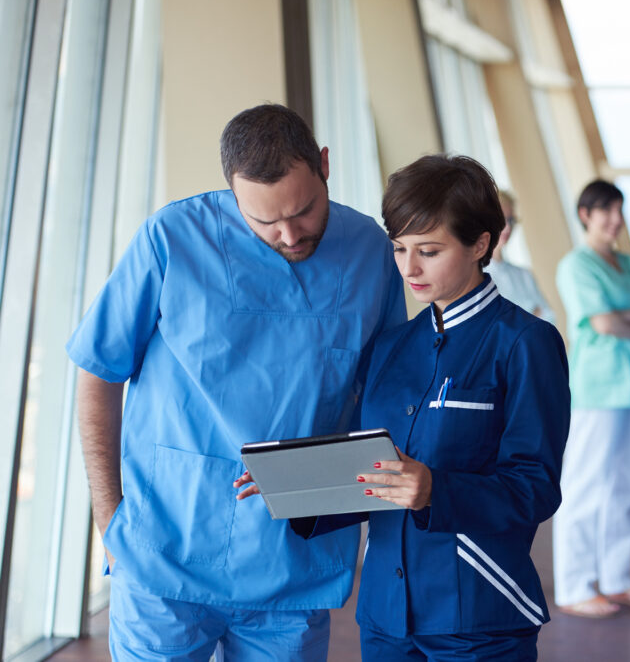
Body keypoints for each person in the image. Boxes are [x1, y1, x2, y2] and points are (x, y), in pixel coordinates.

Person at [66, 104, 406, 660]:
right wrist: (110, 522)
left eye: (304, 211)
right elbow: (97, 371)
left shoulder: (371, 251)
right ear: (231, 192)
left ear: (325, 165)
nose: (289, 234)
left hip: (293, 566)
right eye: (265, 222)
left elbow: (389, 398)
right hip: (164, 552)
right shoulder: (171, 238)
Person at [240, 154, 571, 660]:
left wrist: (437, 489)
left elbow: (536, 487)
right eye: (399, 248)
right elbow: (369, 471)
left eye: (429, 250)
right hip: (386, 615)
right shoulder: (390, 347)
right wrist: (295, 483)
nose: (409, 268)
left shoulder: (525, 343)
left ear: (481, 243)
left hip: (478, 613)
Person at [552, 179, 630, 618]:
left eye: (619, 211)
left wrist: (629, 318)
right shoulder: (577, 265)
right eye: (606, 211)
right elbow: (606, 322)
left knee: (624, 486)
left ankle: (615, 577)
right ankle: (575, 584)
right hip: (597, 389)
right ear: (585, 215)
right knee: (586, 483)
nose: (615, 220)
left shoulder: (629, 265)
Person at [484, 189, 556, 324]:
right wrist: (532, 311)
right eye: (501, 220)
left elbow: (549, 319)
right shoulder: (475, 278)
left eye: (511, 221)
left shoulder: (524, 274)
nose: (508, 228)